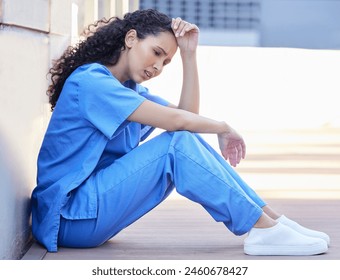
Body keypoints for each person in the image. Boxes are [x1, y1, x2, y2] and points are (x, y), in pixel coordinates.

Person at [31, 9, 330, 256]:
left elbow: (187, 118)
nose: (158, 66)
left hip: (88, 214)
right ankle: (262, 227)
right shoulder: (92, 82)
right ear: (131, 38)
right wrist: (223, 126)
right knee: (175, 144)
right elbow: (180, 122)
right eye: (157, 53)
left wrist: (189, 55)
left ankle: (271, 221)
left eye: (166, 62)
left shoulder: (128, 91)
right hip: (67, 218)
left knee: (181, 140)